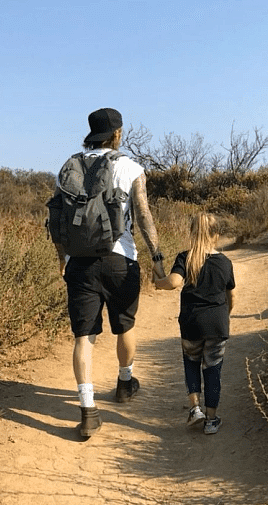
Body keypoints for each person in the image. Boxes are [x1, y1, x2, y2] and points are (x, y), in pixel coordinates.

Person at [53, 107, 166, 438]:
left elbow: (58, 217)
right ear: (117, 134)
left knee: (83, 337)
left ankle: (88, 411)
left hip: (80, 263)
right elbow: (143, 215)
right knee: (124, 326)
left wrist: (62, 258)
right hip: (121, 260)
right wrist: (157, 259)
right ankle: (124, 382)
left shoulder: (68, 167)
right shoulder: (130, 167)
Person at [154, 213, 235, 434]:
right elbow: (231, 296)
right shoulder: (225, 262)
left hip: (191, 323)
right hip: (217, 324)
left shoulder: (185, 258)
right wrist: (225, 314)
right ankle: (211, 419)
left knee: (191, 363)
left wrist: (158, 281)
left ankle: (195, 409)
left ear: (191, 233)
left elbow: (173, 282)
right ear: (216, 235)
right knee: (213, 370)